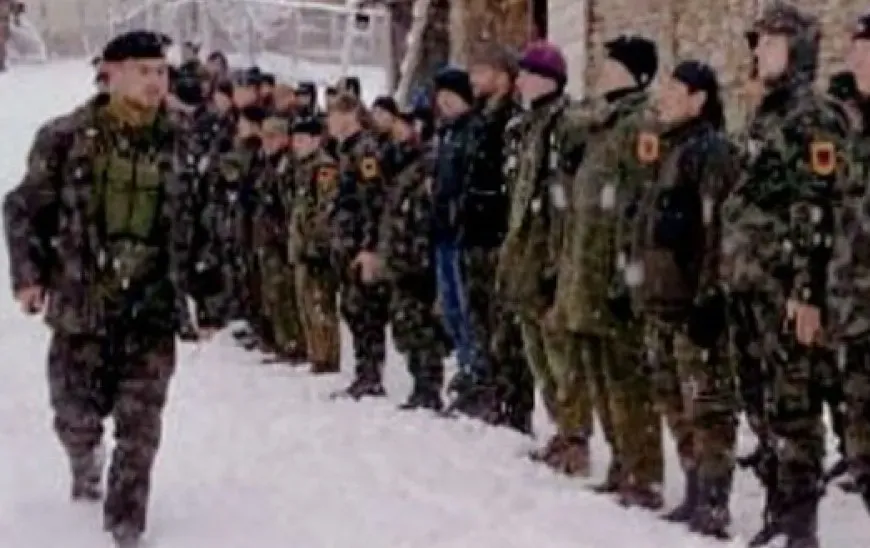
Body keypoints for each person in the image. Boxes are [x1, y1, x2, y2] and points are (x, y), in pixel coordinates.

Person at [2, 30, 223, 547]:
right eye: (143, 71)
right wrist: (29, 277)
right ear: (113, 73)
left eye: (161, 72)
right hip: (83, 303)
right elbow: (24, 208)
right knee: (73, 415)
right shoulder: (66, 137)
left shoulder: (185, 141)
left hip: (151, 306)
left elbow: (207, 225)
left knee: (140, 427)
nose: (155, 82)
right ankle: (84, 460)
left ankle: (126, 526)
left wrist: (211, 297)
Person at [721, 4, 850, 546]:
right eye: (758, 43)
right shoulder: (766, 114)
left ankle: (800, 525)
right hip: (751, 284)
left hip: (785, 289)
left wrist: (806, 292)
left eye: (770, 43)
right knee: (761, 403)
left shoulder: (813, 117)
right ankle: (778, 506)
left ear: (798, 50)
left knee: (794, 407)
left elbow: (818, 207)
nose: (759, 52)